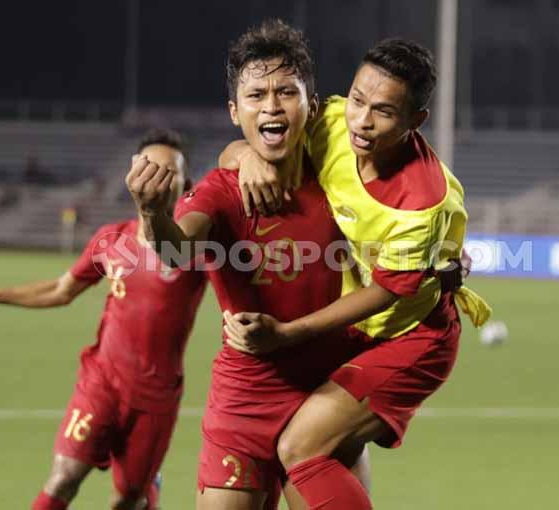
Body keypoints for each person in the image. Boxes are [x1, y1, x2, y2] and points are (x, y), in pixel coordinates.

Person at [222, 38, 491, 509]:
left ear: (416, 121)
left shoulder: (422, 200)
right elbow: (254, 142)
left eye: (383, 112)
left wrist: (288, 333)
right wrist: (247, 156)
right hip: (353, 330)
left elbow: (387, 291)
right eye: (358, 99)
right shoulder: (329, 122)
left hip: (410, 339)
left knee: (298, 447)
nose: (361, 121)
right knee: (332, 453)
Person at [124, 19, 371, 510]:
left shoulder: (344, 182)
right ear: (236, 112)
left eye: (286, 92)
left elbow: (396, 241)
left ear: (312, 106)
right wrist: (152, 212)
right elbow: (175, 251)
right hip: (246, 399)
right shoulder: (220, 191)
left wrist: (439, 255)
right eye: (256, 95)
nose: (272, 105)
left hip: (327, 396)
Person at [0, 129, 203, 510]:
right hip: (102, 382)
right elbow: (62, 289)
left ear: (186, 185)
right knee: (64, 475)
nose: (157, 178)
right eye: (149, 168)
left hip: (156, 398)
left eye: (168, 171)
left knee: (129, 498)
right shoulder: (110, 239)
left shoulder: (199, 250)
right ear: (132, 177)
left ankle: (147, 487)